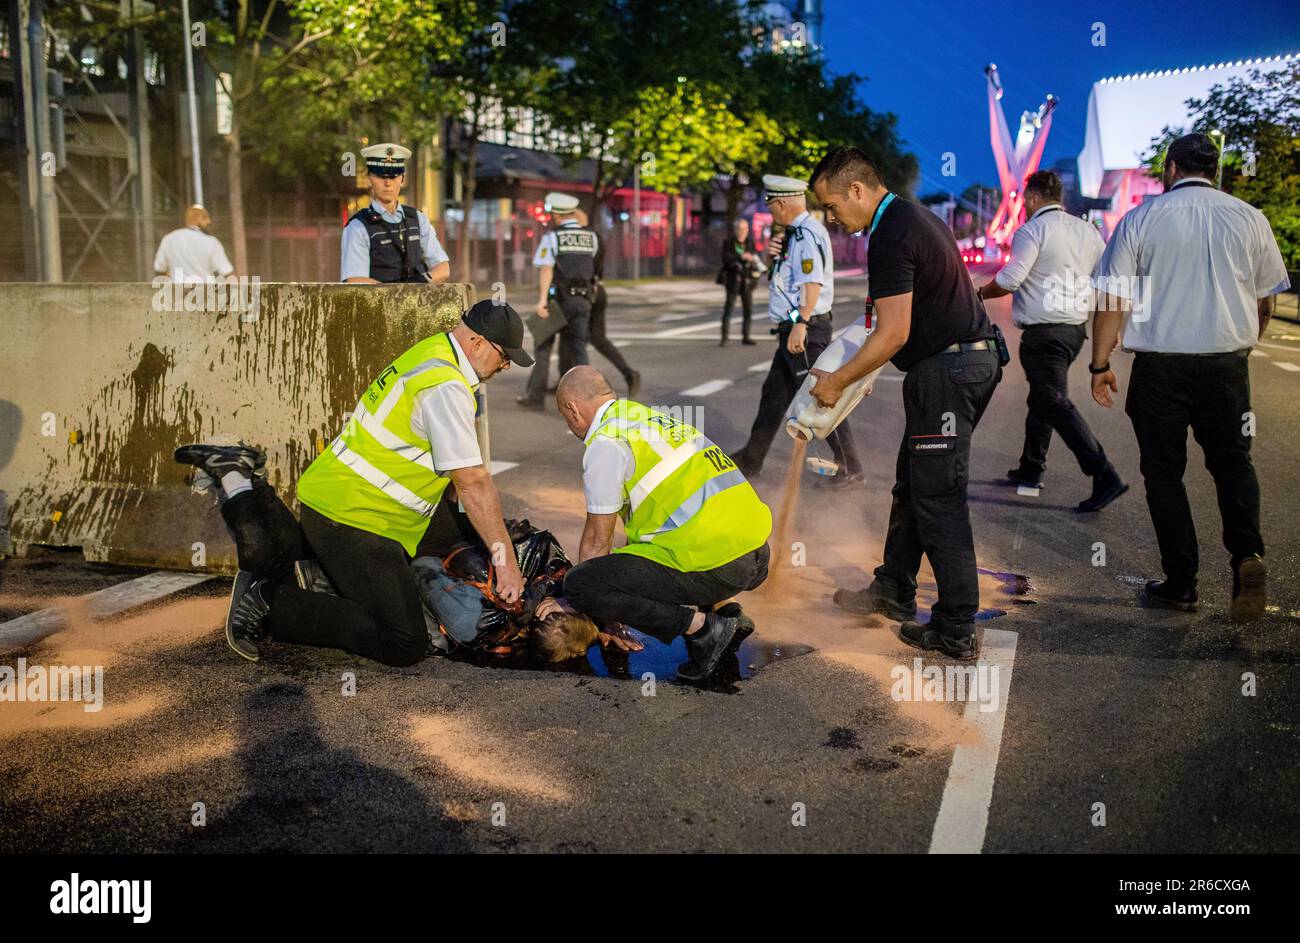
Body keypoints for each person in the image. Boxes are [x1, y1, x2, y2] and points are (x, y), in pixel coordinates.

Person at [173, 300, 534, 666]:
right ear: (477, 344)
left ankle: (316, 569)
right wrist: (504, 562)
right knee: (404, 642)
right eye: (505, 357)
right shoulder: (445, 386)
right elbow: (473, 483)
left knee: (462, 534)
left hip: (357, 499)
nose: (505, 367)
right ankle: (271, 601)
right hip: (354, 517)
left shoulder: (436, 353)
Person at [809, 146, 1002, 660]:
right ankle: (893, 588)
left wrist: (837, 381)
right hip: (958, 365)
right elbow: (890, 325)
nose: (831, 218)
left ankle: (955, 626)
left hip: (948, 371)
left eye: (831, 207)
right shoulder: (915, 216)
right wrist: (863, 370)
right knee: (913, 484)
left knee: (938, 497)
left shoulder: (892, 233)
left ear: (856, 189)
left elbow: (894, 332)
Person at [1089, 132, 1290, 622]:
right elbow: (1267, 301)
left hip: (1161, 369)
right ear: (1214, 170)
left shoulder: (1141, 219)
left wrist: (1100, 364)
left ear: (1172, 168)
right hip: (1226, 365)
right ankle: (1247, 554)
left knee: (1164, 473)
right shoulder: (1249, 218)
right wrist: (1244, 342)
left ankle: (1181, 584)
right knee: (1233, 463)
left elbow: (1112, 299)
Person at [555, 366, 773, 681]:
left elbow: (597, 543)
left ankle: (704, 630)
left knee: (583, 583)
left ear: (573, 410)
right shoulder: (644, 417)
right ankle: (726, 610)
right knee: (654, 549)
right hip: (757, 553)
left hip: (722, 562)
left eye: (566, 417)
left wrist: (598, 610)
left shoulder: (606, 442)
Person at [976, 170, 1128, 511]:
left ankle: (1103, 473)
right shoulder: (1088, 231)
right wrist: (1111, 325)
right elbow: (1106, 281)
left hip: (1044, 335)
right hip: (1073, 332)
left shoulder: (1032, 230)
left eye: (1025, 200)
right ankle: (1031, 466)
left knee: (1054, 400)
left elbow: (1011, 278)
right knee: (1042, 398)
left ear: (1031, 198)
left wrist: (979, 294)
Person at [730, 174, 864, 489]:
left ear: (783, 203)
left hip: (805, 328)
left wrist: (801, 323)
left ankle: (851, 467)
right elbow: (782, 280)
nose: (772, 212)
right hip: (793, 327)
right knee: (774, 396)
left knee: (819, 398)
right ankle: (752, 457)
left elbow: (811, 283)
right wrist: (769, 257)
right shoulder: (793, 235)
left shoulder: (806, 235)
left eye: (773, 205)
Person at [517, 192, 598, 409]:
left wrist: (542, 300)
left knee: (543, 346)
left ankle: (535, 397)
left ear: (557, 215)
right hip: (583, 300)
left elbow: (546, 269)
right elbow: (592, 267)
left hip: (558, 302)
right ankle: (589, 400)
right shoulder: (591, 237)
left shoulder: (553, 237)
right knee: (579, 349)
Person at [341, 142, 451, 284]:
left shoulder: (418, 219)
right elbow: (355, 280)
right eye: (381, 176)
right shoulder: (358, 226)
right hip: (376, 305)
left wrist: (421, 282)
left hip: (417, 303)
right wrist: (398, 295)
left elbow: (443, 268)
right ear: (369, 179)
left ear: (402, 179)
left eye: (393, 176)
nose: (388, 183)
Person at [574, 208, 641, 398]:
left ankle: (577, 385)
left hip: (586, 293)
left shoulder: (579, 239)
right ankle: (628, 373)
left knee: (575, 339)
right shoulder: (595, 238)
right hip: (598, 290)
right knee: (597, 339)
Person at [154, 205, 234, 282]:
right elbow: (226, 272)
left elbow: (159, 268)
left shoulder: (169, 239)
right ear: (196, 219)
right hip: (205, 293)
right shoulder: (211, 242)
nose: (209, 221)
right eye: (205, 218)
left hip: (178, 293)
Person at [718, 217, 760, 346]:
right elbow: (726, 258)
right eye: (739, 229)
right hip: (733, 279)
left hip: (747, 280)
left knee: (748, 309)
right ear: (735, 230)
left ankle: (746, 336)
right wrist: (740, 257)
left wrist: (751, 259)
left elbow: (754, 256)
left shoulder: (750, 242)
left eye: (745, 229)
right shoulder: (729, 242)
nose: (742, 231)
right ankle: (724, 336)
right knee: (729, 307)